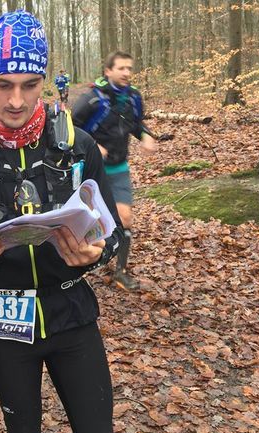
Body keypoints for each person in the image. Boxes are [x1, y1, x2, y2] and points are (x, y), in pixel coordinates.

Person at [0, 10, 122, 433]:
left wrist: (98, 252)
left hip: (71, 310)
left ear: (44, 81)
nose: (16, 101)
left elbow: (112, 232)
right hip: (2, 319)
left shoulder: (76, 145)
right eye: (3, 85)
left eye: (29, 85)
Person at [71, 51, 157, 291]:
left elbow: (136, 123)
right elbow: (70, 129)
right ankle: (81, 262)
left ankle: (120, 270)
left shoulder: (133, 98)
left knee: (125, 217)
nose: (127, 73)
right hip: (90, 170)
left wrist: (145, 136)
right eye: (121, 68)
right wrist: (92, 146)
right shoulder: (91, 100)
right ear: (108, 71)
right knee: (87, 220)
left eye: (129, 68)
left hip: (119, 167)